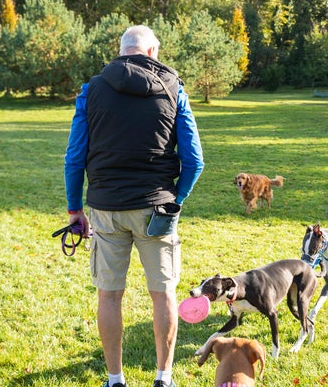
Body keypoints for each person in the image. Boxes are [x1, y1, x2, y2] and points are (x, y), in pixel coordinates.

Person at [63, 25, 204, 387]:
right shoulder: (175, 89)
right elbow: (194, 160)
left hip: (105, 208)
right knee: (164, 293)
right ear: (153, 52)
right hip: (157, 209)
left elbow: (74, 157)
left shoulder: (91, 90)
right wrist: (179, 198)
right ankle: (164, 377)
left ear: (122, 51)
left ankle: (115, 379)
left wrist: (73, 209)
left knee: (109, 295)